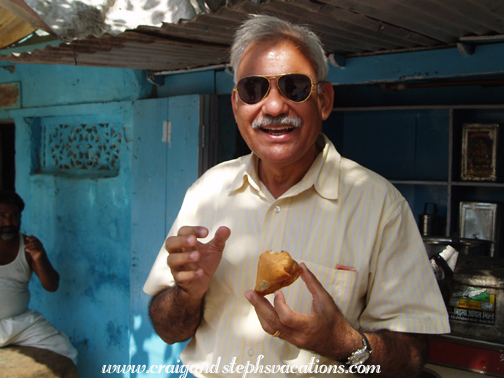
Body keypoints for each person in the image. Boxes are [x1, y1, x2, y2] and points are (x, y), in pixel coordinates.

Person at [144, 14, 449, 377]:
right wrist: (186, 293)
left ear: (323, 100)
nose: (273, 107)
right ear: (236, 105)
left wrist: (341, 341)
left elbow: (413, 356)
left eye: (294, 88)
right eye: (254, 90)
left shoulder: (380, 205)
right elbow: (168, 330)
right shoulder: (207, 190)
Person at [0, 191, 77, 364]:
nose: (8, 222)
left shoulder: (28, 246)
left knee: (64, 349)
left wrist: (39, 256)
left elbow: (52, 286)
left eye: (14, 216)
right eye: (2, 216)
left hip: (20, 324)